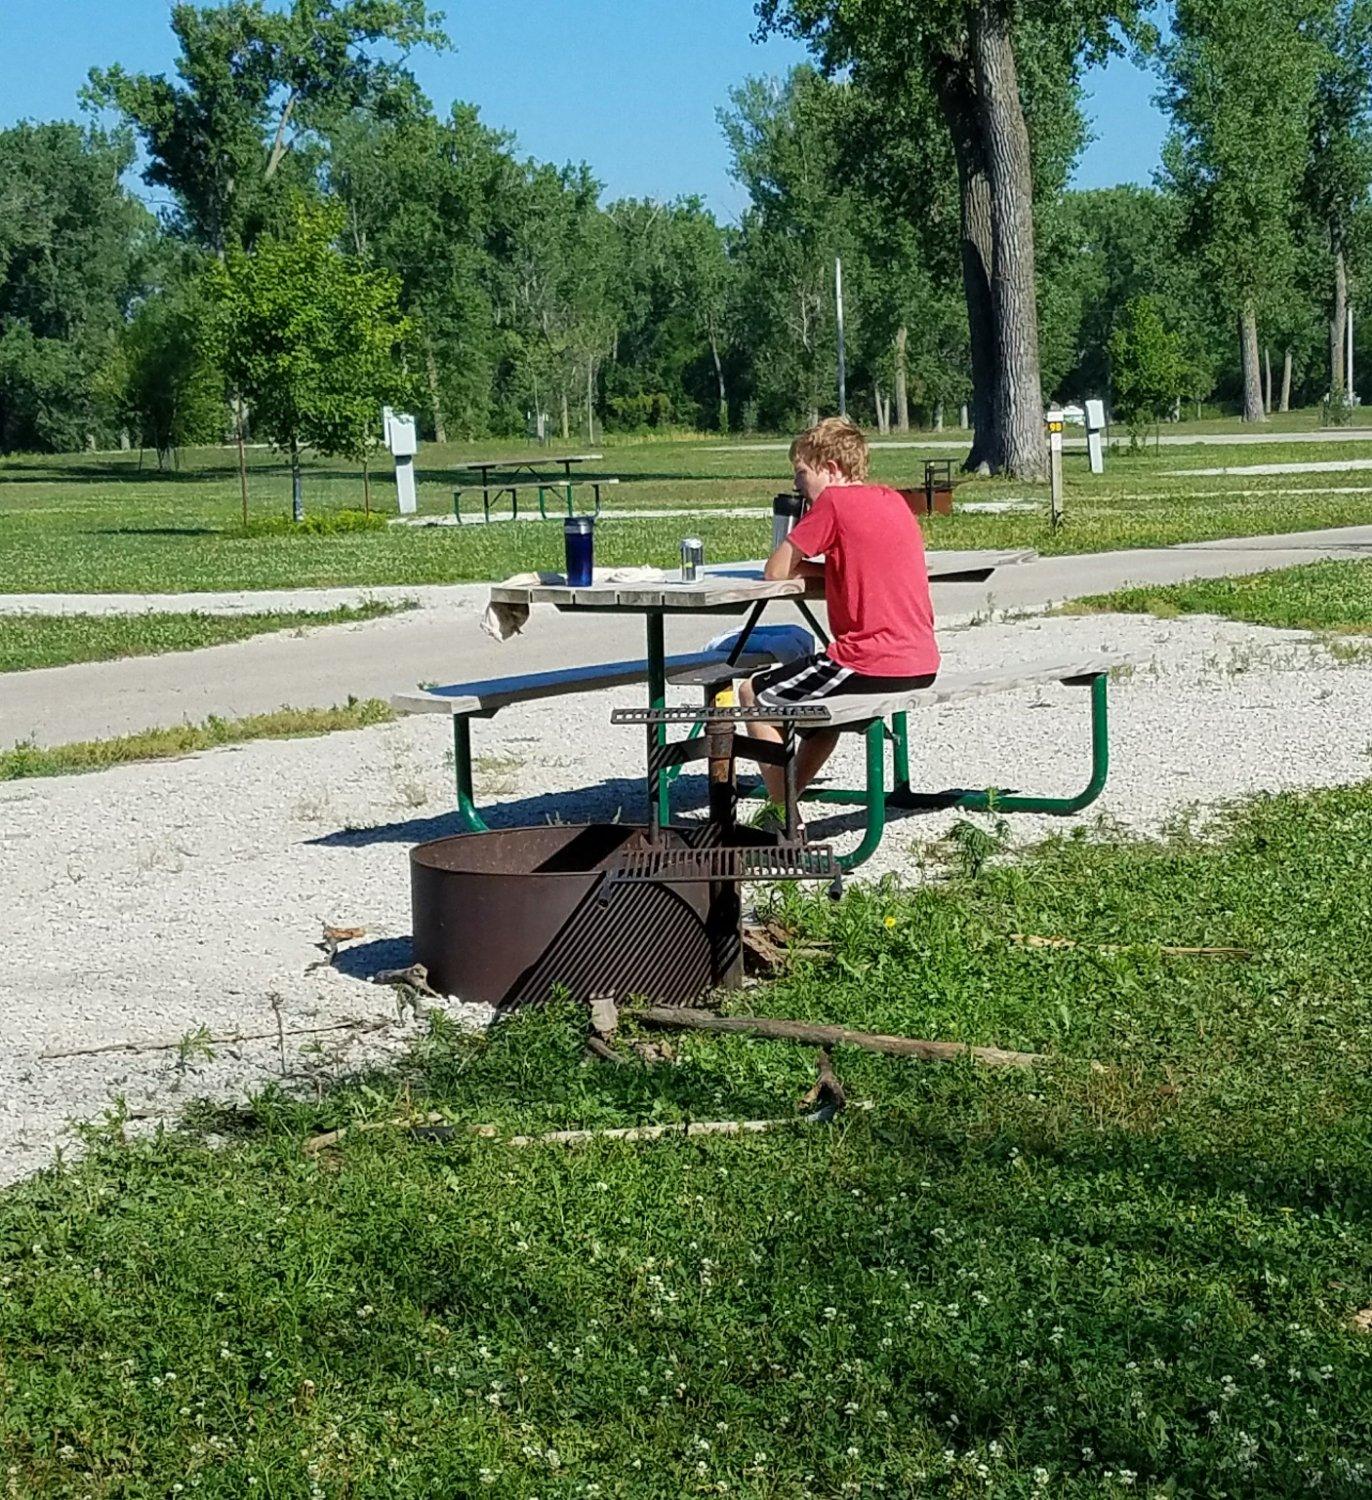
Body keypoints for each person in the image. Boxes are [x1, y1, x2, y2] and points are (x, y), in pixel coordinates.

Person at [737, 416, 939, 813]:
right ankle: (786, 799)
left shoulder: (833, 502)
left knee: (753, 694)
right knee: (820, 720)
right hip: (922, 660)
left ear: (830, 469)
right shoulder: (891, 499)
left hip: (870, 661)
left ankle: (783, 819)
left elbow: (775, 570)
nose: (798, 485)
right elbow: (855, 567)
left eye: (801, 473)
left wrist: (795, 533)